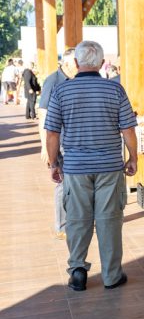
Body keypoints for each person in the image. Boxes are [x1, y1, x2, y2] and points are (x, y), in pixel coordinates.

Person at [44, 40, 138, 291]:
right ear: (102, 63)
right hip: (110, 166)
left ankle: (77, 271)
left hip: (75, 167)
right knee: (109, 220)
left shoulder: (61, 91)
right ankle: (112, 275)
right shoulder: (115, 89)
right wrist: (133, 158)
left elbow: (52, 133)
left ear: (76, 63)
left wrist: (53, 163)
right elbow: (128, 129)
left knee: (77, 219)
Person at [39, 49, 78, 240]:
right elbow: (43, 114)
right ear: (66, 64)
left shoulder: (75, 80)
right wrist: (44, 145)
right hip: (58, 140)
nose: (78, 66)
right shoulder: (53, 81)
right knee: (62, 182)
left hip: (73, 139)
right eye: (75, 63)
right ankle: (62, 226)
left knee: (73, 182)